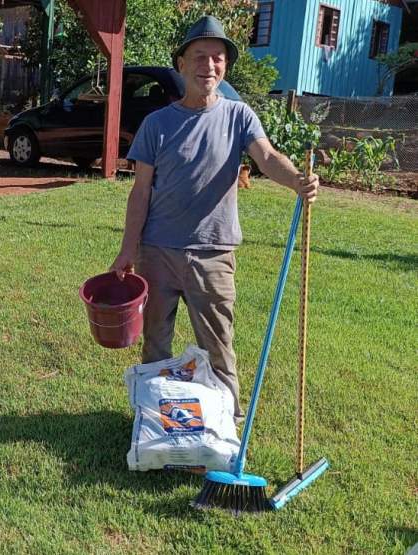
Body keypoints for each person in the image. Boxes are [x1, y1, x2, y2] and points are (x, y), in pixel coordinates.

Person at [110, 16, 318, 420]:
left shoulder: (239, 116)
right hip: (158, 252)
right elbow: (140, 194)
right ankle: (152, 418)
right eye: (200, 57)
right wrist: (127, 250)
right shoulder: (156, 125)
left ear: (225, 67)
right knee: (156, 341)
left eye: (218, 58)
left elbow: (268, 157)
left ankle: (226, 426)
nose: (209, 65)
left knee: (218, 344)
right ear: (182, 65)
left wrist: (296, 180)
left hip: (214, 254)